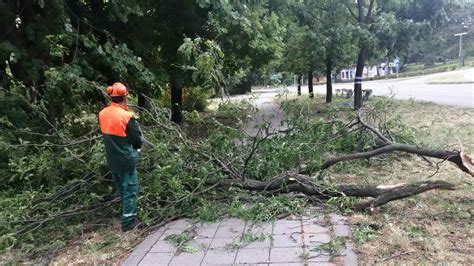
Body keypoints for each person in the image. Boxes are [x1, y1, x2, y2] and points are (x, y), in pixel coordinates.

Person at [98, 82, 143, 232]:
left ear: (111, 97)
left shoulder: (103, 114)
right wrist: (137, 148)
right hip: (126, 159)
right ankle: (128, 223)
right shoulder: (126, 116)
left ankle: (126, 215)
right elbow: (137, 140)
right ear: (125, 97)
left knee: (122, 189)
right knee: (130, 189)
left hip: (112, 159)